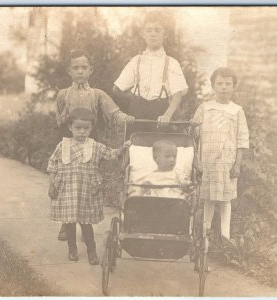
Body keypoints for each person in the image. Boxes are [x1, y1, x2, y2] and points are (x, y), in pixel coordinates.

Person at [55, 49, 135, 241]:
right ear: (69, 71)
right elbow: (59, 122)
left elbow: (113, 112)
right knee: (68, 185)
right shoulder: (63, 95)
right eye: (76, 68)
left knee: (89, 185)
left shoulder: (97, 94)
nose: (80, 71)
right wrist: (64, 115)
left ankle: (86, 225)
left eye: (84, 67)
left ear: (91, 70)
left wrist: (126, 118)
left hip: (90, 143)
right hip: (69, 143)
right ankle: (67, 225)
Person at [47, 108, 130, 264]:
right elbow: (53, 165)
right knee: (70, 223)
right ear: (70, 127)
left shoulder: (95, 146)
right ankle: (72, 249)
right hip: (67, 190)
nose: (82, 132)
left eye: (86, 128)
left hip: (87, 192)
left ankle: (92, 252)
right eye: (78, 128)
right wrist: (52, 184)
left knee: (86, 225)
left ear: (91, 129)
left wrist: (123, 148)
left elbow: (111, 154)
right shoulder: (63, 146)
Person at [190, 67, 249, 242]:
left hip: (227, 161)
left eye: (228, 84)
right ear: (213, 86)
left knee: (225, 199)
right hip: (207, 160)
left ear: (233, 87)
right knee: (208, 198)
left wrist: (237, 164)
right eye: (220, 84)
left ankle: (225, 237)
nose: (224, 87)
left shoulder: (237, 110)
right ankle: (205, 234)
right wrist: (193, 126)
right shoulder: (205, 108)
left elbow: (242, 139)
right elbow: (193, 136)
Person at [113, 11, 188, 134]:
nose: (153, 34)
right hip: (136, 115)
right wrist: (133, 99)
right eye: (149, 30)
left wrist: (167, 115)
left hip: (160, 115)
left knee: (159, 150)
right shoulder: (136, 60)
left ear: (165, 34)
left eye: (157, 30)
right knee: (135, 149)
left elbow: (177, 95)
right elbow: (117, 89)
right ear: (143, 34)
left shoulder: (171, 63)